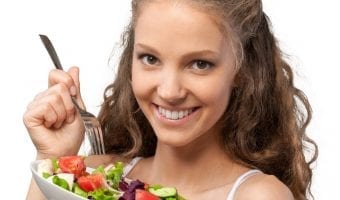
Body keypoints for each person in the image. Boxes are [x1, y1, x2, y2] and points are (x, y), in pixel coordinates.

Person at [24, 0, 318, 199]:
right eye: (150, 58)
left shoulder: (256, 196)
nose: (169, 91)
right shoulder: (94, 176)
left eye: (200, 64)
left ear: (241, 70)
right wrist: (53, 159)